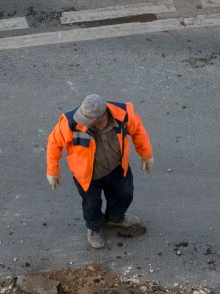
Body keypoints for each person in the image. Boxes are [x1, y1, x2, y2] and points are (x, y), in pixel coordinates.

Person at [46, 94, 154, 249]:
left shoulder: (123, 115)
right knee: (91, 204)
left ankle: (115, 218)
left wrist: (146, 155)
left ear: (102, 117)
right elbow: (54, 143)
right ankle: (95, 227)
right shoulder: (70, 122)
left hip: (116, 167)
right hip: (87, 175)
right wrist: (52, 170)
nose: (82, 122)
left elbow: (138, 132)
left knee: (125, 194)